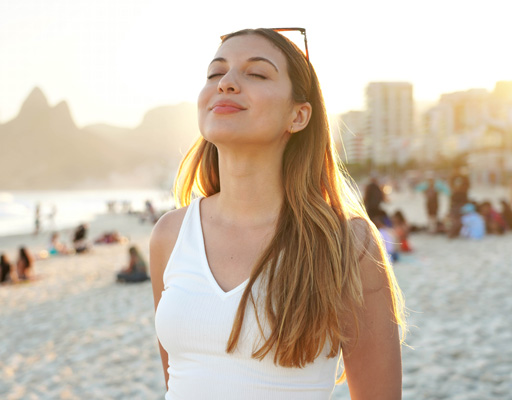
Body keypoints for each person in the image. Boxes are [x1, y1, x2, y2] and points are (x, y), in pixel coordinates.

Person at [150, 28, 405, 399]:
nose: (226, 83)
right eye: (215, 73)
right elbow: (177, 379)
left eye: (256, 73)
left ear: (298, 116)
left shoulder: (346, 243)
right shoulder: (170, 235)